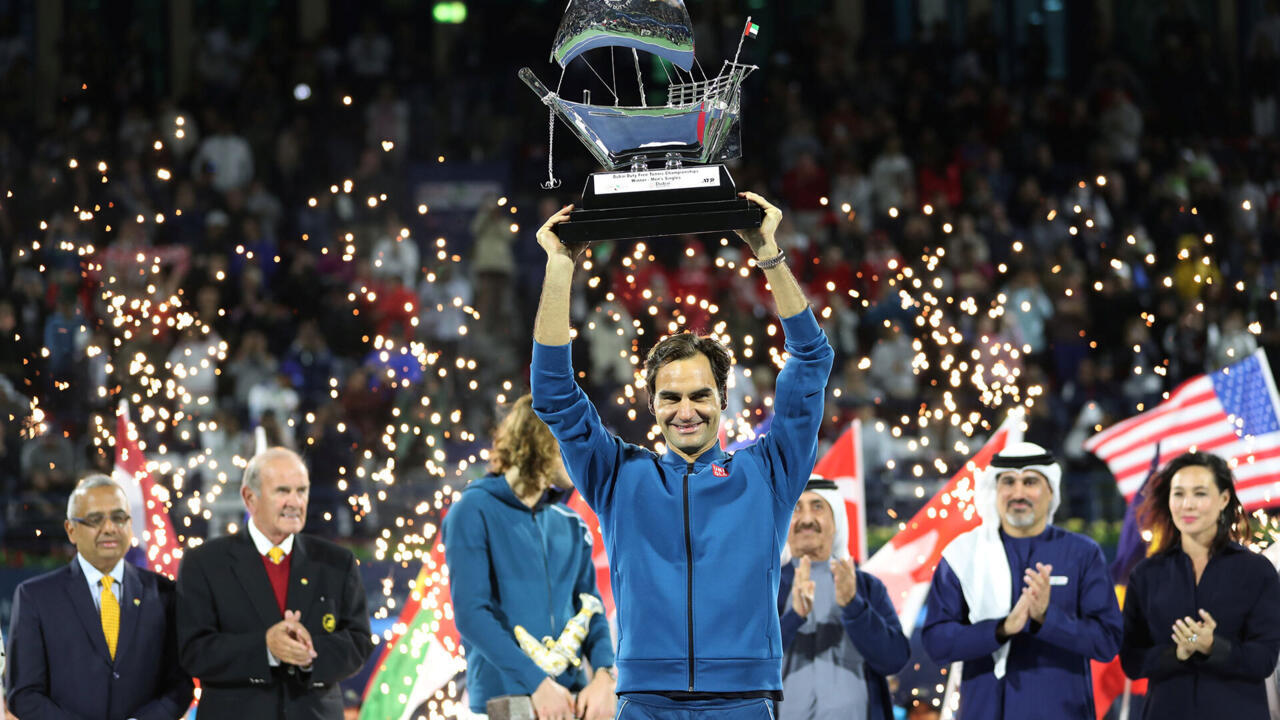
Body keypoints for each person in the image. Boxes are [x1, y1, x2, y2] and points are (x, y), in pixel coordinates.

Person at [530, 192, 835, 719]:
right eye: (670, 397)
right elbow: (553, 393)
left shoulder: (768, 471)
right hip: (645, 701)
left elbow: (811, 359)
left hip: (744, 701)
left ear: (723, 398)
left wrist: (768, 252)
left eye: (700, 395)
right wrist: (560, 266)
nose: (686, 411)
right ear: (651, 404)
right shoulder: (618, 475)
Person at [443, 394, 616, 720]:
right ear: (541, 439)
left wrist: (605, 674)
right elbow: (471, 615)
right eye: (571, 441)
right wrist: (536, 683)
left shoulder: (571, 524)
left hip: (571, 702)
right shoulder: (471, 511)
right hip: (503, 704)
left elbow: (590, 608)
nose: (583, 453)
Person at [922, 442, 1123, 719]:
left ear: (1051, 491)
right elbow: (936, 643)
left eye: (1030, 482)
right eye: (1008, 482)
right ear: (995, 490)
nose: (1018, 493)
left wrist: (1046, 619)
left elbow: (1107, 642)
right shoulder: (963, 555)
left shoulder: (1083, 554)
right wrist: (1001, 629)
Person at [176, 447, 373, 720]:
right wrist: (266, 649)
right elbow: (193, 651)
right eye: (282, 491)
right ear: (250, 498)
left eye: (301, 491)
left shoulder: (337, 562)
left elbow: (359, 642)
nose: (295, 502)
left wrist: (308, 653)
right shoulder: (204, 563)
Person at [5, 474, 194, 719]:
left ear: (130, 524)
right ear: (71, 530)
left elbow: (180, 686)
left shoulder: (164, 593)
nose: (109, 528)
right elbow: (24, 693)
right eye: (95, 520)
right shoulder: (35, 597)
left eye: (119, 518)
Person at [1119, 451, 1280, 719]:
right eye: (1179, 494)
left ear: (1224, 499)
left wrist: (1214, 647)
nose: (1187, 505)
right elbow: (1132, 661)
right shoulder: (1146, 574)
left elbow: (1265, 659)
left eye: (1200, 493)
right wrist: (1176, 654)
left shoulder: (1256, 570)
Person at [777, 475, 909, 720]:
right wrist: (793, 617)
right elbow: (745, 666)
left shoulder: (866, 587)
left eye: (818, 507)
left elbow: (894, 660)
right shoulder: (766, 589)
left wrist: (854, 606)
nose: (807, 519)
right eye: (796, 509)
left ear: (836, 519)